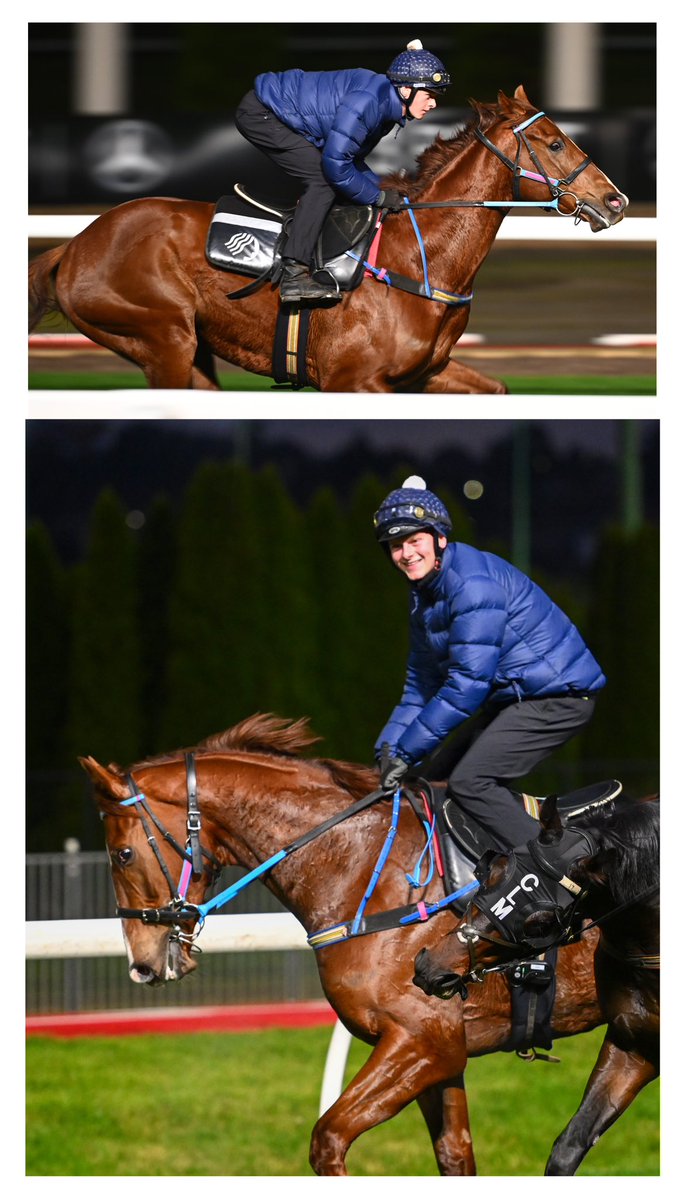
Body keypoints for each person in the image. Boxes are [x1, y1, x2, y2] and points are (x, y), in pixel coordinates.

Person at [374, 476, 606, 852]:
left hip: (559, 699)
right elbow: (421, 684)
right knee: (433, 784)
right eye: (396, 545)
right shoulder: (424, 597)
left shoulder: (471, 585)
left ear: (440, 539)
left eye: (414, 540)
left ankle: (559, 868)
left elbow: (467, 684)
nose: (405, 553)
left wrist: (405, 752)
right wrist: (387, 750)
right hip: (514, 700)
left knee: (471, 782)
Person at [234, 39, 450, 303]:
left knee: (344, 183)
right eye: (430, 95)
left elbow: (351, 160)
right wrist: (377, 197)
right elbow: (336, 166)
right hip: (262, 113)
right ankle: (294, 273)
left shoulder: (386, 105)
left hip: (281, 112)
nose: (433, 104)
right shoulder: (369, 104)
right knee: (323, 181)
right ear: (406, 90)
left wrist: (386, 191)